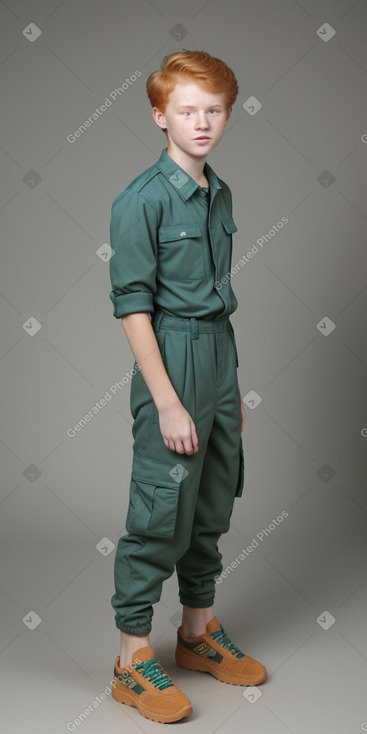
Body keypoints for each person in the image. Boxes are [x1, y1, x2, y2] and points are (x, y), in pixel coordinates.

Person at [108, 50, 267, 724]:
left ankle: (197, 633)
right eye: (186, 111)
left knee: (210, 499)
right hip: (169, 356)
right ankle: (131, 659)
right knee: (159, 509)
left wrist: (224, 393)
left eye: (213, 110)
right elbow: (132, 308)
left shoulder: (218, 191)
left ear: (226, 116)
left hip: (217, 355)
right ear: (158, 116)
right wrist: (168, 399)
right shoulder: (141, 199)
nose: (200, 123)